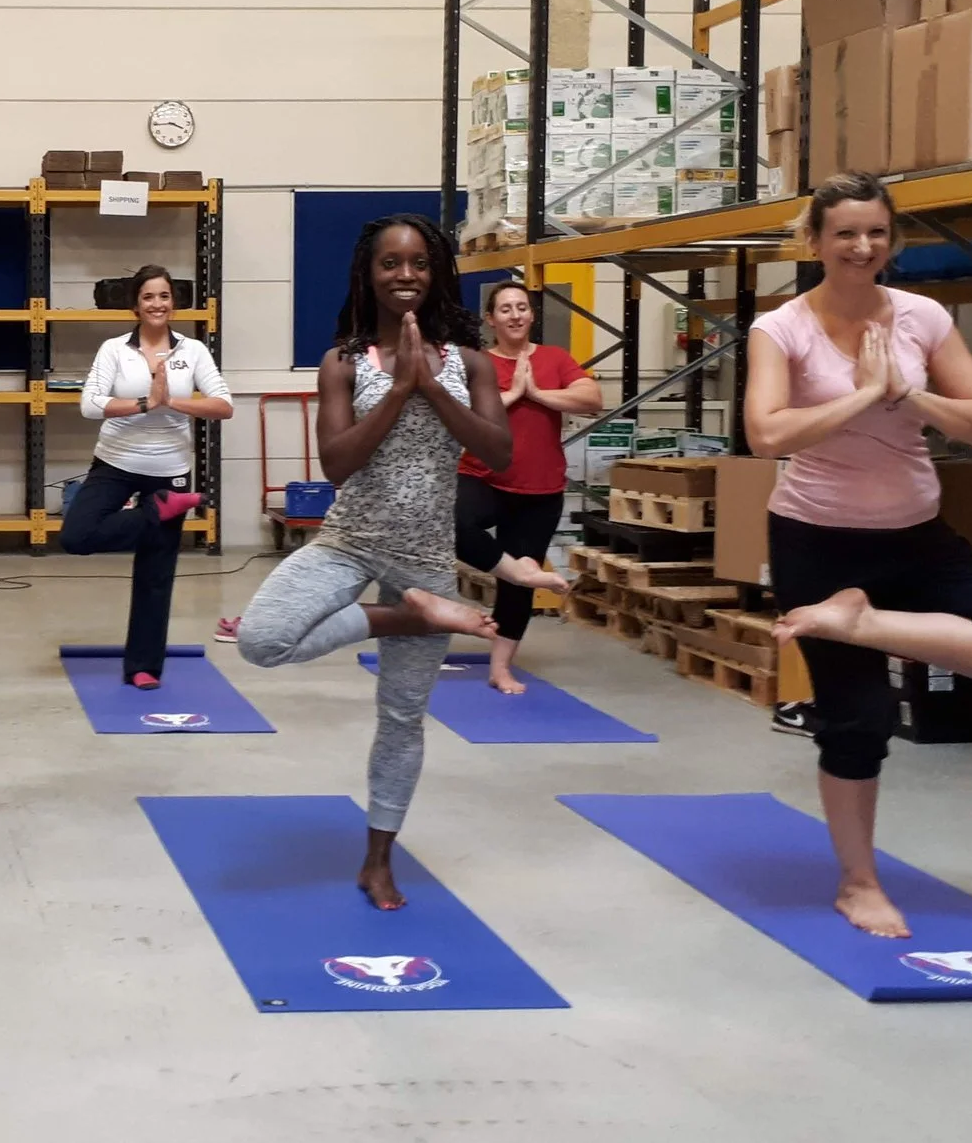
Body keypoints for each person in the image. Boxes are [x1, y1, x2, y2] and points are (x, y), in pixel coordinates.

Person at [746, 171, 972, 939]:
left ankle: (859, 622)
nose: (863, 247)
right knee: (859, 719)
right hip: (817, 541)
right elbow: (765, 435)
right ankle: (859, 882)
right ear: (816, 241)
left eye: (877, 233)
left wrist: (909, 396)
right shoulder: (780, 328)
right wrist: (861, 395)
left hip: (918, 538)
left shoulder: (923, 317)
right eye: (846, 233)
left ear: (893, 239)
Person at [236, 214, 512, 911]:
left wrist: (432, 385)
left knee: (402, 717)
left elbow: (499, 453)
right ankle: (403, 617)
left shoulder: (470, 362)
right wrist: (395, 391)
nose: (406, 275)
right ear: (369, 274)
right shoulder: (344, 362)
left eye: (419, 262)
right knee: (262, 639)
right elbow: (336, 462)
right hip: (347, 539)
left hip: (425, 553)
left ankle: (378, 861)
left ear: (438, 271)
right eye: (390, 263)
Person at [61, 266, 234, 689]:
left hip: (169, 468)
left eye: (164, 296)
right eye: (148, 297)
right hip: (116, 461)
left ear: (173, 302)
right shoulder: (114, 349)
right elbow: (90, 404)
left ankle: (143, 666)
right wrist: (144, 403)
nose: (157, 304)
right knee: (77, 535)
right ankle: (158, 512)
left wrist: (170, 401)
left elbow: (223, 405)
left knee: (157, 572)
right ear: (136, 304)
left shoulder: (192, 351)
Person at [453, 281, 597, 693]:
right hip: (483, 475)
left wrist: (538, 392)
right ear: (490, 319)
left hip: (539, 488)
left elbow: (590, 397)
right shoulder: (478, 363)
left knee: (517, 591)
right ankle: (515, 569)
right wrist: (514, 394)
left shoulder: (553, 359)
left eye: (522, 307)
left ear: (532, 315)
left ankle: (500, 669)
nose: (515, 315)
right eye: (505, 309)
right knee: (455, 525)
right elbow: (467, 414)